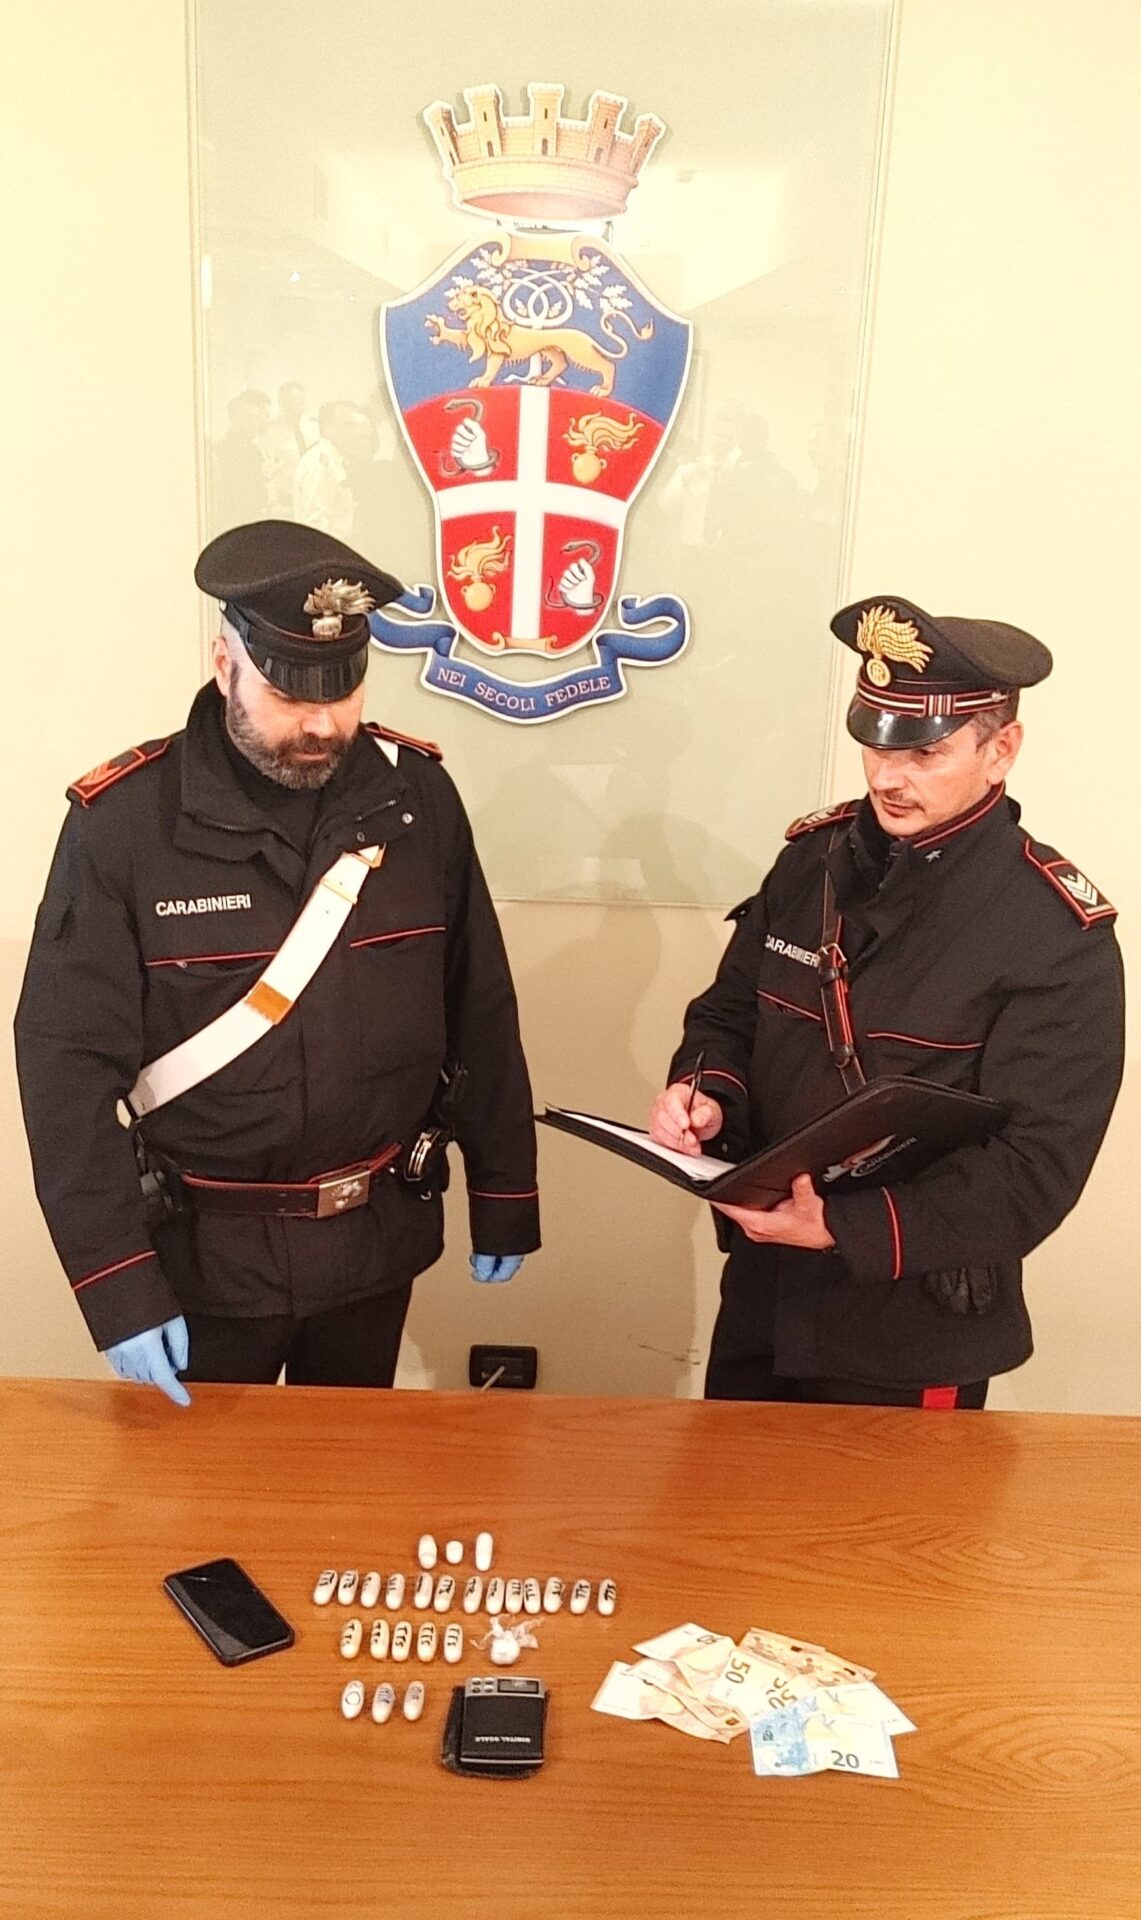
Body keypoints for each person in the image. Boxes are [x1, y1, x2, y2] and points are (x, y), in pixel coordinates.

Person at [15, 521, 539, 1404]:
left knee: (349, 1474)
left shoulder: (415, 800)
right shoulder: (125, 827)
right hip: (203, 1262)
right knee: (200, 1492)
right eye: (289, 692)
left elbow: (477, 1003)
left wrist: (505, 1187)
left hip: (374, 1241)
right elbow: (64, 1070)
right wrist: (115, 1282)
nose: (321, 723)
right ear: (225, 663)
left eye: (343, 690)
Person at [649, 595, 1124, 1408]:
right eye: (874, 741)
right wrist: (706, 1094)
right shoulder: (811, 862)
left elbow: (1035, 1167)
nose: (885, 776)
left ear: (1001, 750)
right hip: (763, 1297)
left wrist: (842, 1227)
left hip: (910, 1324)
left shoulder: (1052, 930)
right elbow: (726, 1014)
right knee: (724, 1494)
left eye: (924, 752)